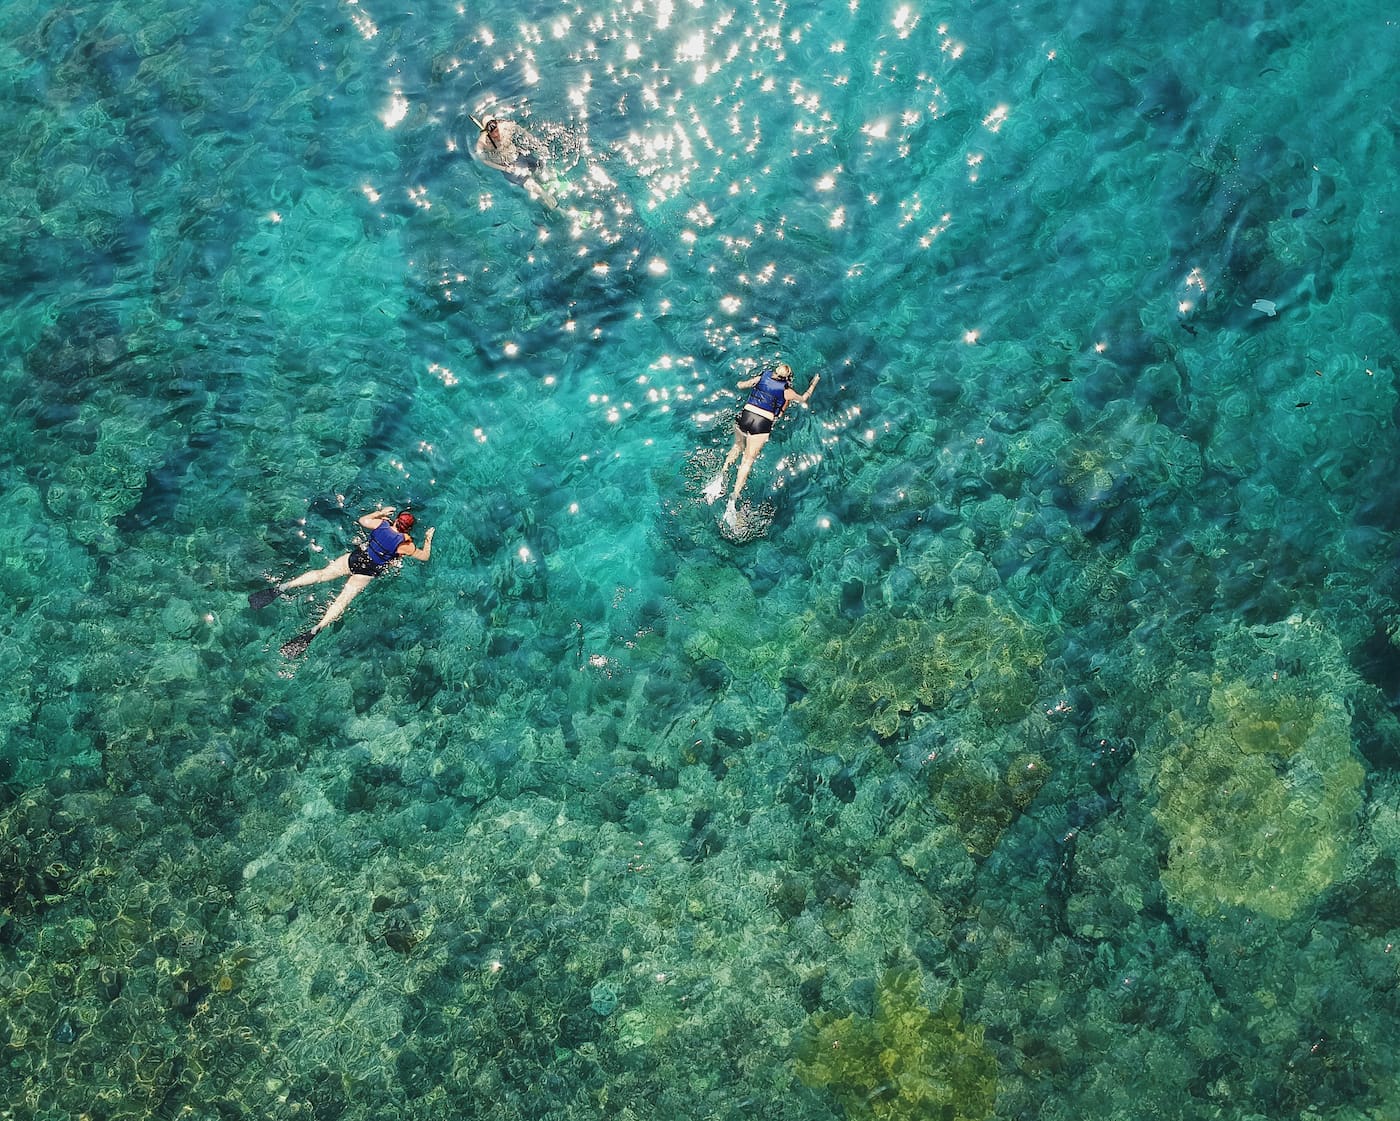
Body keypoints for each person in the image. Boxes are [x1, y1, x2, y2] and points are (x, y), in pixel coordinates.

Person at [248, 507, 435, 657]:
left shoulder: (381, 525)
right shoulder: (406, 545)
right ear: (408, 529)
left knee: (321, 574)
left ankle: (284, 587)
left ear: (395, 520)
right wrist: (428, 539)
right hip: (367, 572)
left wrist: (380, 513)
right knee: (341, 601)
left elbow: (362, 520)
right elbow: (425, 557)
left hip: (354, 558)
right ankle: (316, 628)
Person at [703, 363, 820, 518]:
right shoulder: (787, 391)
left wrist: (738, 381)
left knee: (737, 447)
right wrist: (814, 383)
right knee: (747, 461)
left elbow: (741, 385)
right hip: (762, 423)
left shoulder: (761, 378)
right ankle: (732, 501)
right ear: (787, 378)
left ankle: (719, 478)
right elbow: (804, 398)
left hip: (746, 416)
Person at [475, 116, 559, 211]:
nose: (496, 135)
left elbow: (523, 132)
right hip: (508, 167)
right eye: (493, 134)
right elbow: (484, 160)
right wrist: (505, 169)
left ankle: (553, 186)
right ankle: (557, 209)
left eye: (497, 131)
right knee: (535, 188)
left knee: (543, 174)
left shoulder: (506, 127)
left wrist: (538, 146)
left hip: (519, 155)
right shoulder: (483, 143)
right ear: (487, 132)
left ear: (498, 124)